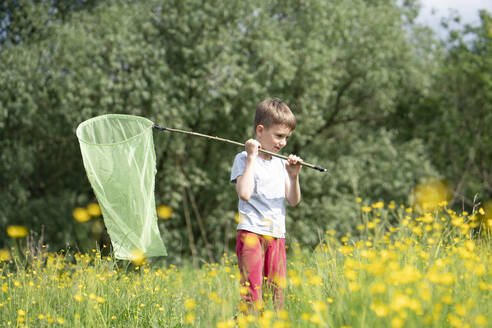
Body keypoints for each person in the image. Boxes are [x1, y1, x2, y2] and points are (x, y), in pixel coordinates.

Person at [230, 98, 302, 313]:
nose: (283, 143)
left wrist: (295, 176)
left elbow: (293, 200)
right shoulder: (243, 158)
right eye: (279, 136)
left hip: (276, 235)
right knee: (252, 292)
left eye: (287, 138)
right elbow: (244, 193)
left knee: (276, 294)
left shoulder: (282, 165)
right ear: (260, 131)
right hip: (251, 233)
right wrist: (252, 157)